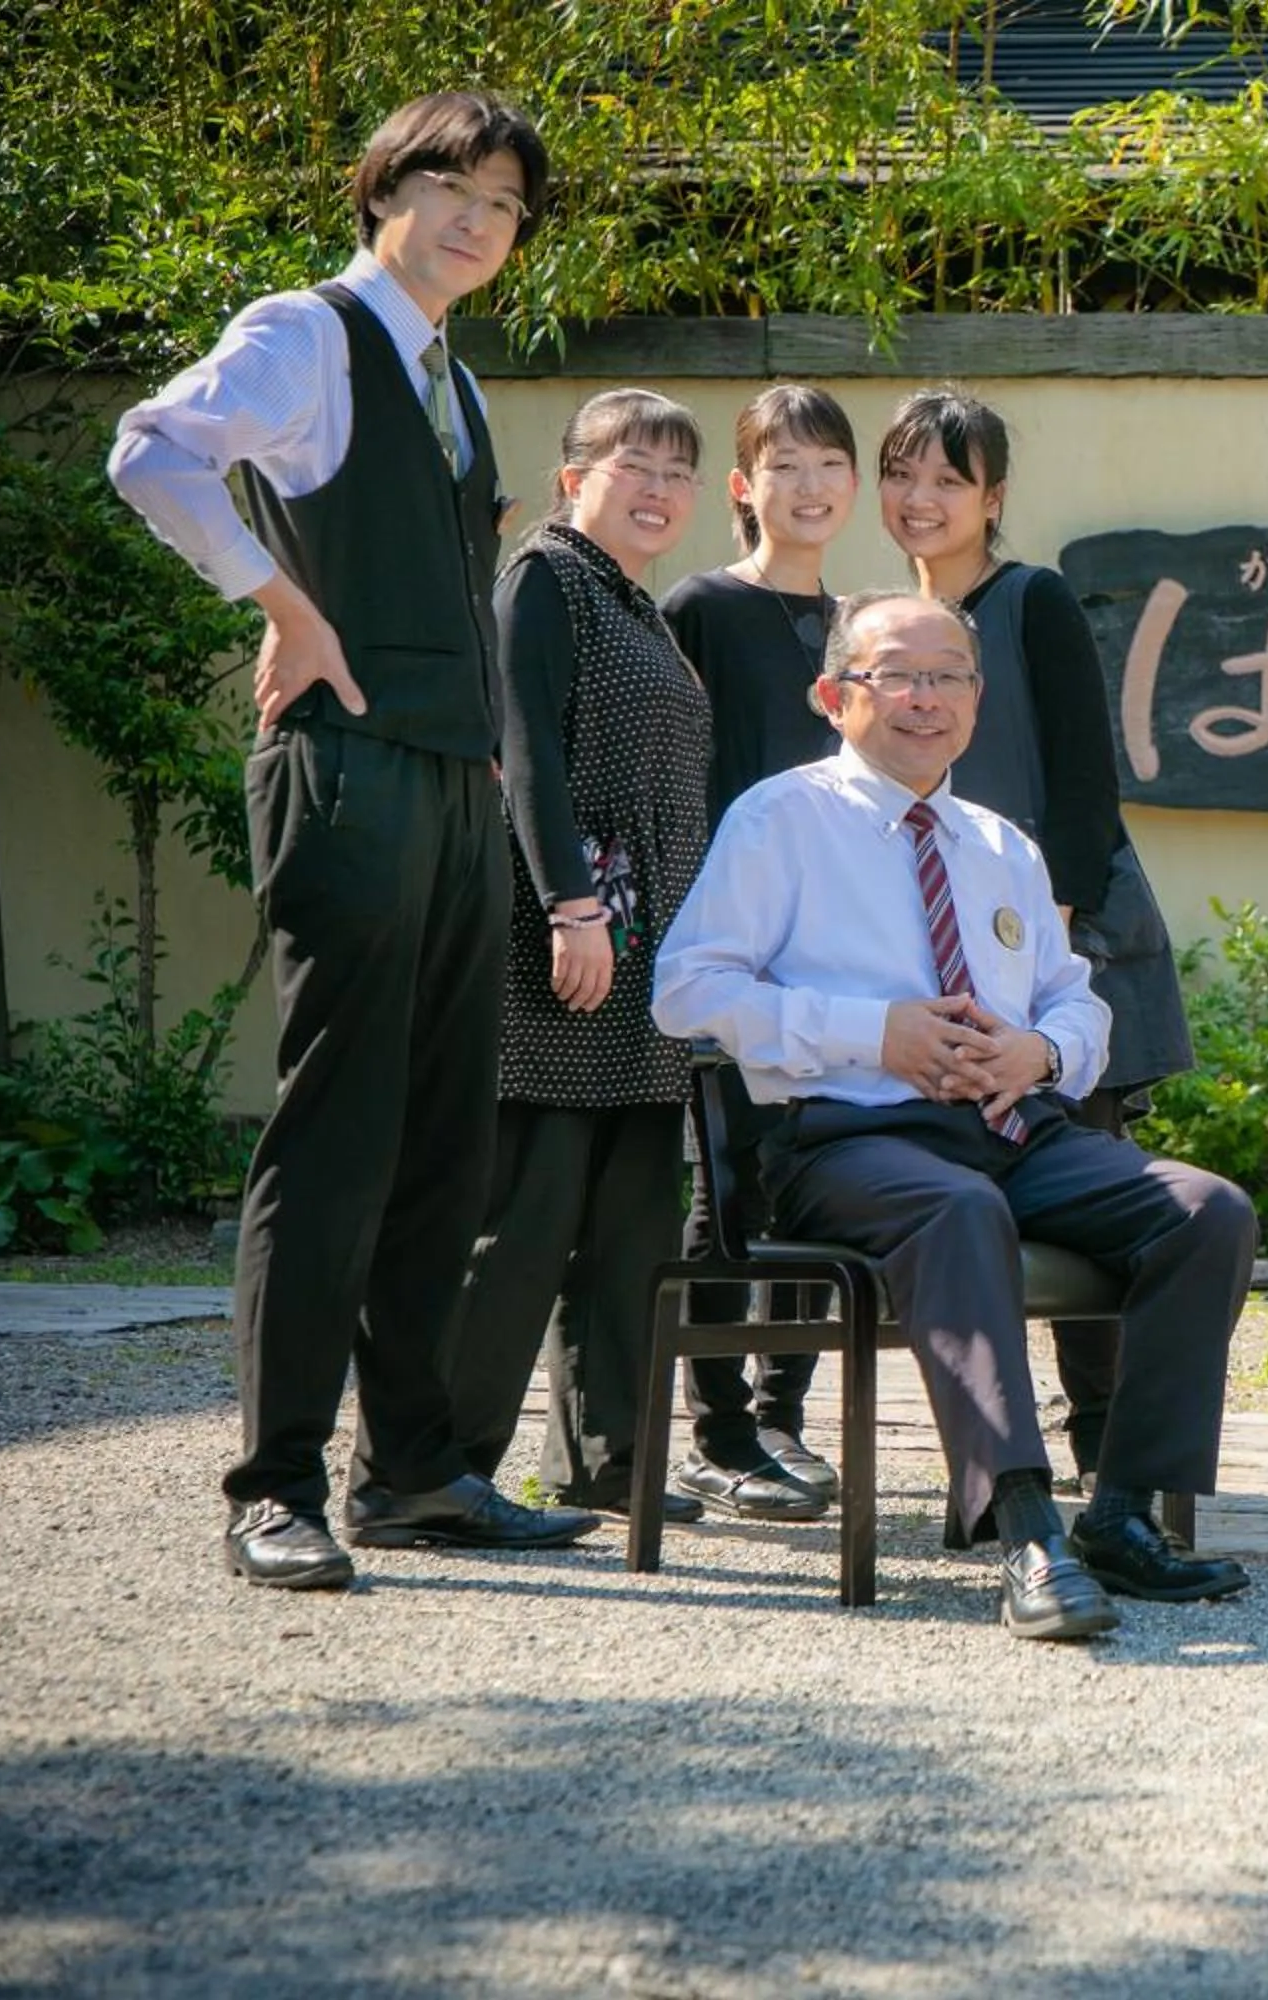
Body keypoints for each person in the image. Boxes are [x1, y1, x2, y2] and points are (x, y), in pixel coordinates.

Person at [105, 90, 596, 1589]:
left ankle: (417, 1472)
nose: (478, 218)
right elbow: (153, 450)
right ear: (386, 184)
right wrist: (285, 605)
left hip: (453, 780)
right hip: (347, 770)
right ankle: (275, 1486)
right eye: (452, 184)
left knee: (447, 1140)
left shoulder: (450, 373)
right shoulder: (309, 331)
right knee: (337, 1132)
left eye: (506, 204)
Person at [652, 591, 1256, 1642]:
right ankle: (1025, 1527)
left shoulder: (998, 842)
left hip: (1018, 1129)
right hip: (847, 1140)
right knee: (959, 1208)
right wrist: (867, 1030)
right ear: (835, 694)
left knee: (1207, 1211)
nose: (926, 698)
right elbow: (687, 992)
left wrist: (1042, 1049)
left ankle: (1120, 1510)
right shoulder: (779, 818)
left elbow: (1075, 998)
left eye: (950, 676)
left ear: (977, 700)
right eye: (899, 674)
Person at [878, 384, 1195, 1487]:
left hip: (1064, 930)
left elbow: (1081, 784)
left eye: (948, 481)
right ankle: (995, 1446)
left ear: (992, 497)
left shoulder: (1034, 600)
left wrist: (1041, 943)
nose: (920, 500)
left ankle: (1109, 1442)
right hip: (931, 949)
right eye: (903, 475)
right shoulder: (883, 625)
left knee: (1086, 1179)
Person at [444, 388, 715, 1520]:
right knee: (534, 1210)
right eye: (632, 465)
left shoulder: (635, 602)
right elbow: (526, 757)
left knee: (634, 1219)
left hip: (649, 955)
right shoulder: (545, 579)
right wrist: (570, 906)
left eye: (676, 472)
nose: (656, 490)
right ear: (573, 478)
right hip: (568, 938)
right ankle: (446, 1460)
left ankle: (614, 1456)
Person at [657, 382, 865, 1522]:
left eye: (830, 462)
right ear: (744, 488)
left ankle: (784, 1411)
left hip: (839, 944)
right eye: (786, 464)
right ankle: (716, 1427)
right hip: (735, 937)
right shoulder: (700, 606)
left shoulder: (854, 628)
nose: (812, 484)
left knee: (816, 1171)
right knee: (723, 1178)